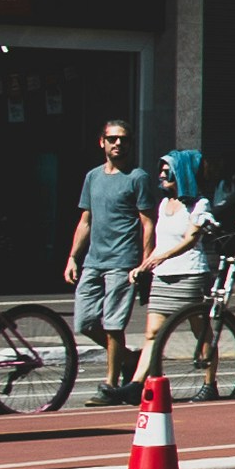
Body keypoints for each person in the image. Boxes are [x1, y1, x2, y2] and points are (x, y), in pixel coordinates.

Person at [62, 119, 151, 405]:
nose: (118, 144)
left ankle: (110, 385)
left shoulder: (137, 177)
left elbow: (147, 222)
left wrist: (145, 261)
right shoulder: (93, 177)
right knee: (85, 322)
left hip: (122, 261)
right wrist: (73, 257)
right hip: (94, 260)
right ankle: (130, 360)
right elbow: (85, 220)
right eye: (112, 139)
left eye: (123, 139)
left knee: (114, 325)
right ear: (102, 142)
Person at [130, 149, 215, 389]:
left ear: (182, 173)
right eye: (161, 170)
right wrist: (145, 265)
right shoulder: (165, 204)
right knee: (152, 333)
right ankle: (137, 385)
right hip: (162, 276)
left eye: (168, 171)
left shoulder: (200, 204)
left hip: (189, 274)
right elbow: (161, 243)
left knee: (200, 331)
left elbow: (190, 239)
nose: (161, 175)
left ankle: (209, 383)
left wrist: (163, 257)